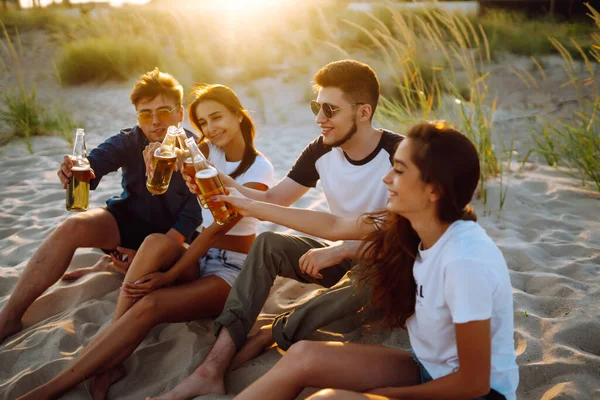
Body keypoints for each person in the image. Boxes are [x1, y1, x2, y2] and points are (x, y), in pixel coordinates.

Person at [152, 59, 404, 400]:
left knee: (369, 277)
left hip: (390, 265)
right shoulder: (321, 150)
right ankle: (212, 366)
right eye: (317, 107)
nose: (319, 119)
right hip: (339, 255)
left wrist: (342, 248)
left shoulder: (399, 156)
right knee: (269, 243)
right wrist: (217, 177)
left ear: (363, 112)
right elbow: (273, 198)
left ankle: (271, 333)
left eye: (329, 109)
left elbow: (409, 242)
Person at [215, 121, 519, 400]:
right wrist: (247, 206)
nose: (387, 178)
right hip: (426, 366)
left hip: (472, 393)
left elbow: (474, 383)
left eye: (399, 171)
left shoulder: (464, 261)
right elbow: (332, 226)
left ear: (433, 190)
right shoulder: (411, 227)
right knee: (303, 356)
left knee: (330, 399)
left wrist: (384, 395)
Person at [15, 84, 274, 400]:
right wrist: (156, 155)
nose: (209, 128)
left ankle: (54, 387)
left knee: (150, 303)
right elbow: (176, 155)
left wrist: (170, 274)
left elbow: (216, 228)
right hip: (198, 258)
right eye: (203, 122)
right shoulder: (204, 151)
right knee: (152, 243)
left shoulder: (260, 167)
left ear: (238, 115)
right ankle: (111, 346)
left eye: (216, 117)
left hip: (230, 270)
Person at [0, 68, 202, 344]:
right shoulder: (128, 140)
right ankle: (9, 317)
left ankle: (110, 266)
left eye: (164, 111)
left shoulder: (195, 148)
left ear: (179, 114)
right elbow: (94, 164)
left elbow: (191, 215)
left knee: (174, 276)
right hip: (127, 224)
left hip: (170, 240)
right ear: (138, 118)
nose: (155, 121)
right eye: (146, 114)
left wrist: (143, 259)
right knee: (72, 227)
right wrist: (73, 171)